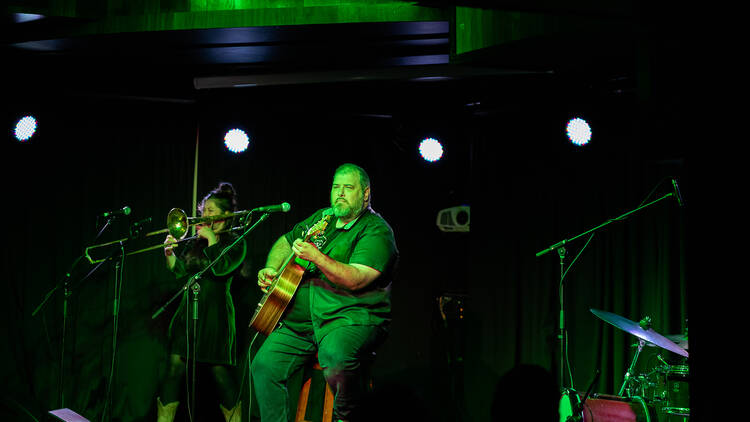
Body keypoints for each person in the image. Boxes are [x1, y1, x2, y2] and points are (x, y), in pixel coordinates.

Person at [251, 163, 398, 422]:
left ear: (365, 193)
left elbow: (356, 278)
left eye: (348, 188)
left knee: (336, 357)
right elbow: (286, 242)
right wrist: (271, 268)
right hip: (302, 325)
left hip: (347, 319)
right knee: (264, 365)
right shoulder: (323, 218)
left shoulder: (376, 231)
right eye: (336, 187)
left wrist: (317, 257)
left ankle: (346, 415)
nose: (340, 193)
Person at [156, 182, 247, 422]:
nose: (204, 215)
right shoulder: (197, 242)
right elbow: (181, 272)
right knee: (173, 370)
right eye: (204, 210)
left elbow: (221, 269)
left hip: (215, 318)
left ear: (225, 215)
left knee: (220, 375)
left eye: (210, 211)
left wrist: (212, 241)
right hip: (187, 313)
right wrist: (170, 254)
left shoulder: (237, 241)